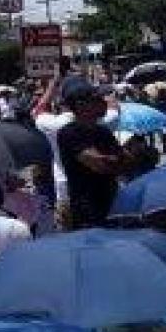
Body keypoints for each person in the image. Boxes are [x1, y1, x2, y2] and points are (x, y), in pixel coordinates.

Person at [32, 74, 120, 230]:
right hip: (104, 196)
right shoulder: (104, 122)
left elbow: (39, 110)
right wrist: (105, 87)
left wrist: (52, 85)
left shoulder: (54, 125)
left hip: (67, 194)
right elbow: (113, 107)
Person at [56, 77, 130, 229]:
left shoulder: (103, 131)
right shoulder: (69, 132)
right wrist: (117, 159)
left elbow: (127, 163)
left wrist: (118, 160)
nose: (104, 102)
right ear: (80, 105)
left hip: (111, 207)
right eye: (96, 99)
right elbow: (100, 164)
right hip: (87, 213)